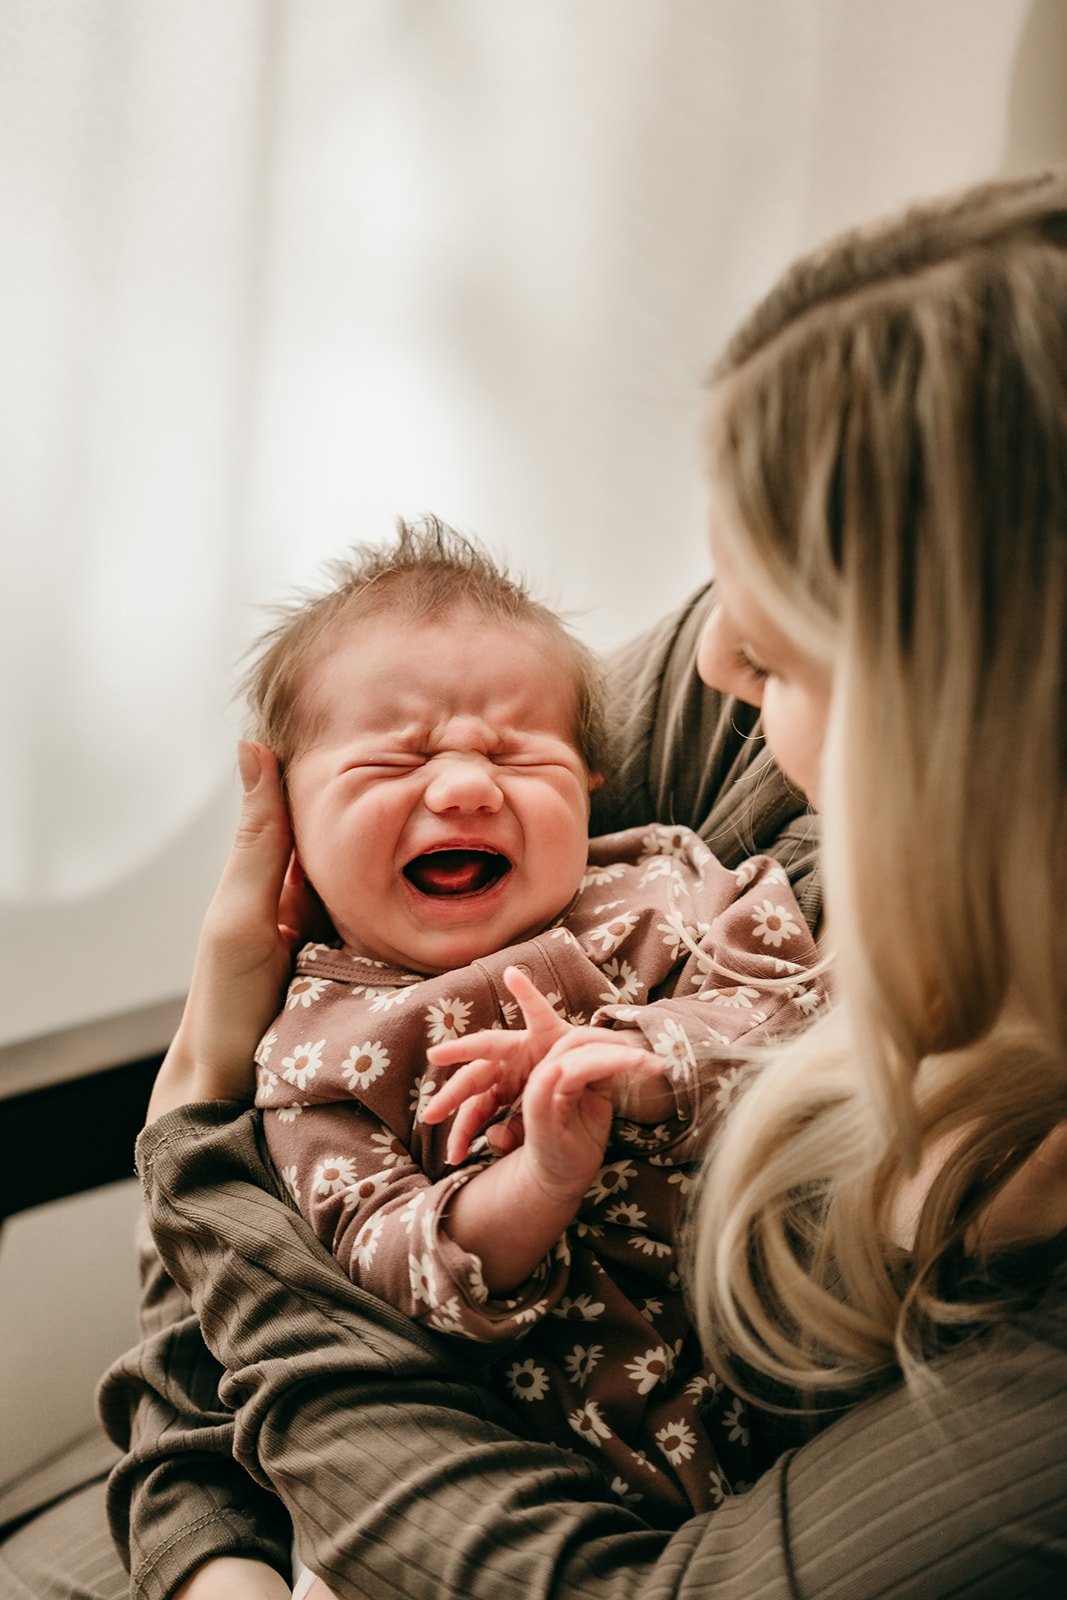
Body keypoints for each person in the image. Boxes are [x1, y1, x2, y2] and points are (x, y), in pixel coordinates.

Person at [89, 168, 1067, 1600]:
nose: (717, 654)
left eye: (784, 629)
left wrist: (190, 1124)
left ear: (970, 709)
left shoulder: (681, 876)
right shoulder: (733, 737)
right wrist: (195, 1535)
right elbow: (285, 1181)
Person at [240, 520, 823, 1524]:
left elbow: (803, 1008)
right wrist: (533, 1183)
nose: (465, 786)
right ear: (288, 820)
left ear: (590, 781)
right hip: (537, 1468)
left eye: (517, 755)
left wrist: (639, 1062)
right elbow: (383, 1255)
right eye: (392, 765)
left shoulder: (665, 885)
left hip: (785, 1389)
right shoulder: (313, 1048)